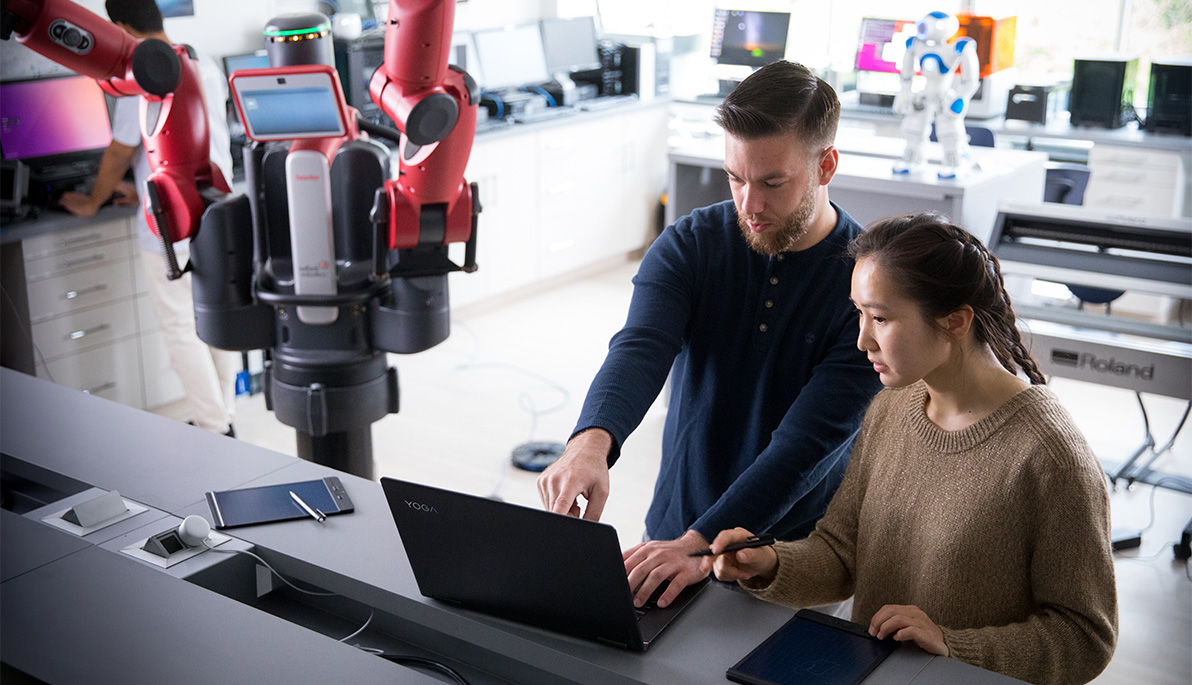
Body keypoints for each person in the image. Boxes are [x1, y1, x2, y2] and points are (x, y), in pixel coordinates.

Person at [704, 213, 1118, 684]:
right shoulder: (891, 408)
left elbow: (1086, 637)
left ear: (955, 321)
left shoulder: (1050, 457)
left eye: (880, 318)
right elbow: (842, 554)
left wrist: (951, 645)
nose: (862, 340)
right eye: (858, 314)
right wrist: (771, 563)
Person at [537, 61, 883, 610]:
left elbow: (808, 443)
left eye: (772, 182)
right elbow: (641, 347)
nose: (750, 204)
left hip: (796, 558)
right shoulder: (690, 244)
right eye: (735, 178)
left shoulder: (868, 282)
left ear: (826, 166)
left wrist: (702, 544)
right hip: (676, 527)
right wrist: (591, 442)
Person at [60, 0, 238, 437]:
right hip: (215, 212)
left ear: (119, 26)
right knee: (217, 314)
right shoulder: (201, 61)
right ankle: (224, 414)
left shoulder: (143, 73)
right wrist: (136, 187)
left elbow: (121, 150)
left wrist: (91, 201)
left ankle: (215, 428)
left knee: (180, 326)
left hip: (169, 222)